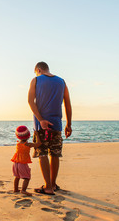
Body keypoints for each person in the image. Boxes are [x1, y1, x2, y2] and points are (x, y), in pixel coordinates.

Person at [28, 61, 72, 195]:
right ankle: (53, 184)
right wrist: (68, 124)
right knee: (55, 154)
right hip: (57, 124)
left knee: (42, 154)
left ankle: (47, 187)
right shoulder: (62, 82)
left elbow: (30, 101)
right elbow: (68, 105)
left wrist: (41, 120)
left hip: (41, 125)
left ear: (38, 70)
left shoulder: (36, 80)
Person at [11, 125, 41, 196]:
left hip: (15, 163)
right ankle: (23, 190)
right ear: (28, 136)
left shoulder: (18, 143)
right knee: (27, 178)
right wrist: (37, 135)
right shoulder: (27, 144)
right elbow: (38, 144)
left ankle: (15, 189)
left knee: (17, 177)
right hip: (22, 163)